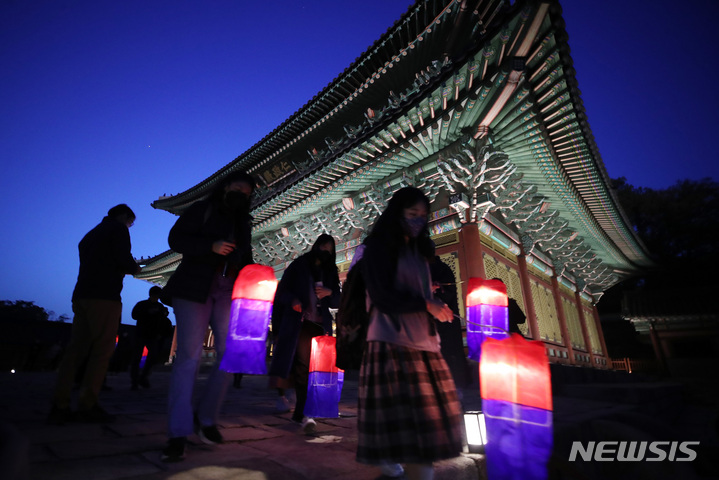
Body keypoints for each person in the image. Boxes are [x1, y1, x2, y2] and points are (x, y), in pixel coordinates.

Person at [358, 187, 463, 480]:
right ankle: (396, 466)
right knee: (412, 426)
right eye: (411, 214)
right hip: (392, 341)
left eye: (422, 216)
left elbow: (414, 292)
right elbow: (381, 295)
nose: (418, 220)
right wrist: (426, 303)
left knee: (424, 428)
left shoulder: (418, 252)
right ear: (397, 213)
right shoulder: (378, 247)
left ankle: (399, 468)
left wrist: (433, 301)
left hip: (424, 342)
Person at [160, 171, 255, 462]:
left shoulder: (244, 222)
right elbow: (176, 239)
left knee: (230, 355)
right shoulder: (201, 209)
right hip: (193, 287)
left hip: (228, 290)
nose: (242, 194)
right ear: (225, 187)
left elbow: (247, 254)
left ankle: (206, 417)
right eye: (238, 188)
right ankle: (178, 431)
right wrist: (210, 246)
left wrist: (253, 278)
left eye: (248, 193)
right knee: (189, 357)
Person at [47, 204, 140, 425]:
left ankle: (59, 404)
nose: (130, 226)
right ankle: (88, 404)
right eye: (131, 222)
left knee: (76, 350)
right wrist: (135, 268)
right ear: (125, 216)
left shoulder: (90, 235)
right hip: (104, 294)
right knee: (102, 350)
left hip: (82, 293)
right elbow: (123, 259)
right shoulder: (118, 229)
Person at [268, 233, 341, 434]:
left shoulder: (331, 271)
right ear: (315, 245)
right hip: (300, 322)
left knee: (315, 369)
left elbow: (337, 300)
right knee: (303, 366)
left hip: (320, 324)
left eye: (330, 249)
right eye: (323, 246)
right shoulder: (300, 265)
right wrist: (294, 300)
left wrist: (330, 293)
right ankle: (302, 412)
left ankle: (303, 411)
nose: (326, 251)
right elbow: (282, 291)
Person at [429, 255, 470, 392]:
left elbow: (445, 294)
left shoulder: (439, 269)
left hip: (443, 325)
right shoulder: (439, 268)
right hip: (441, 328)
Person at [129, 286, 172, 390]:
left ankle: (143, 377)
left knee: (152, 357)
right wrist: (147, 313)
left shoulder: (160, 306)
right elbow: (134, 315)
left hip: (153, 335)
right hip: (141, 333)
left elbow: (163, 319)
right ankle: (135, 380)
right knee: (137, 358)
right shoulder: (142, 304)